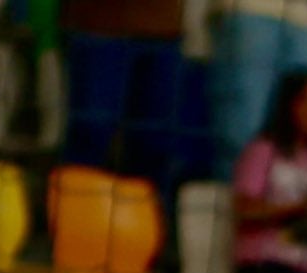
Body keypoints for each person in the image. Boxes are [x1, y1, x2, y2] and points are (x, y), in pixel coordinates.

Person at [61, 0, 205, 219]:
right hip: (99, 28)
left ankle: (147, 234)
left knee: (154, 145)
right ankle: (76, 225)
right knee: (91, 136)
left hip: (163, 30)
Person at [231, 67, 307, 273]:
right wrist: (297, 209)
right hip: (263, 264)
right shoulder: (263, 151)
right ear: (288, 104)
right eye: (306, 101)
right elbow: (244, 211)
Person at [209, 0, 307, 184]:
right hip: (251, 9)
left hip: (303, 14)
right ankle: (238, 204)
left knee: (305, 126)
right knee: (244, 131)